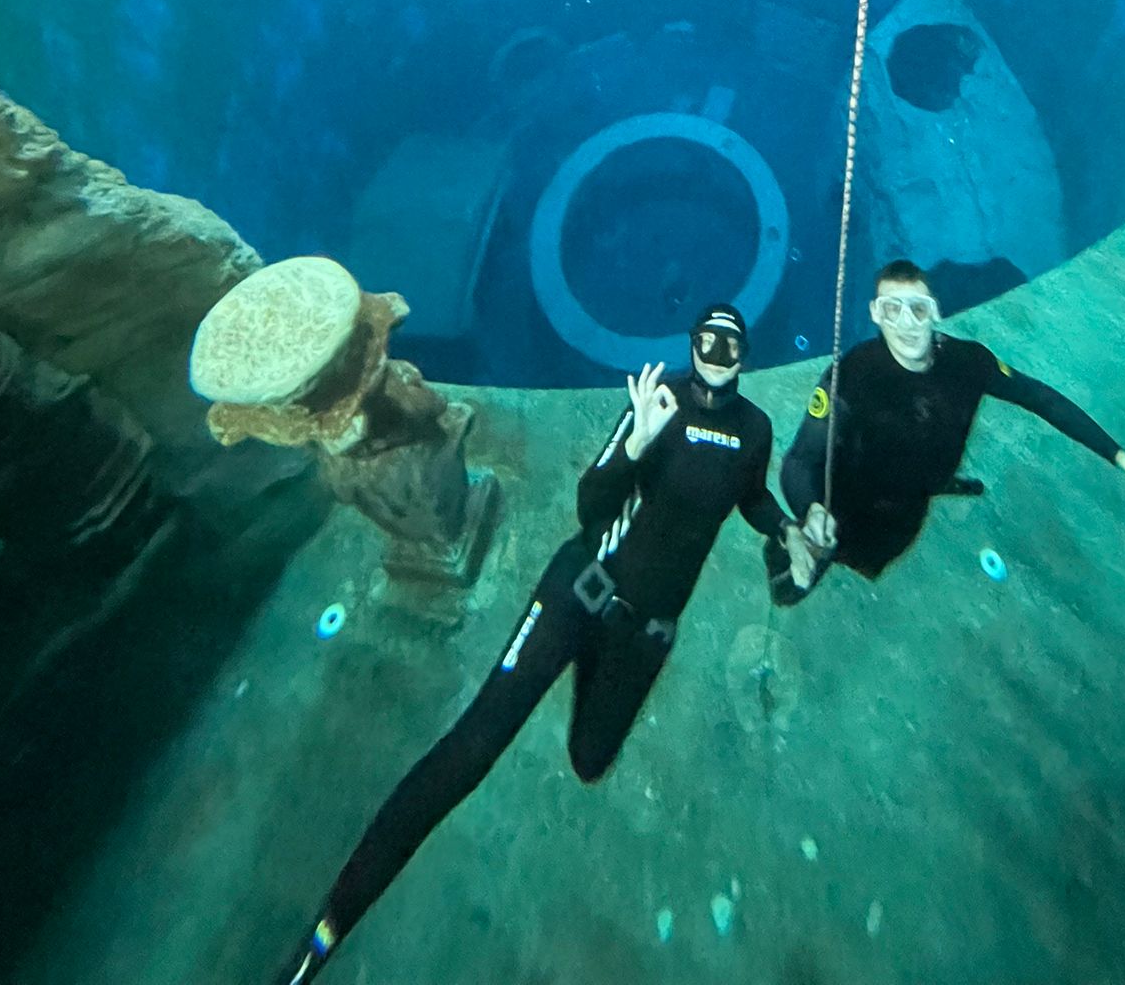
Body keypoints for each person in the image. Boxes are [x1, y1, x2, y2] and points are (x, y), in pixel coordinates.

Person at [271, 304, 813, 983]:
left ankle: (588, 669)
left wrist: (786, 529)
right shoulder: (661, 401)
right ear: (692, 343)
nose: (717, 351)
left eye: (730, 343)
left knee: (590, 759)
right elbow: (591, 507)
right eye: (707, 339)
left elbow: (752, 496)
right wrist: (636, 444)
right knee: (475, 744)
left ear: (744, 354)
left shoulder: (755, 428)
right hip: (578, 592)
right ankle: (328, 927)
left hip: (647, 631)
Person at [769, 261, 1125, 601]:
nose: (906, 324)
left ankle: (933, 485)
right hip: (847, 504)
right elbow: (801, 460)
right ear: (875, 315)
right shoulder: (851, 376)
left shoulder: (970, 362)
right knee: (795, 584)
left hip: (909, 507)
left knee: (882, 550)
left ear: (936, 311)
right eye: (891, 310)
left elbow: (1042, 398)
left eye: (918, 309)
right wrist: (811, 510)